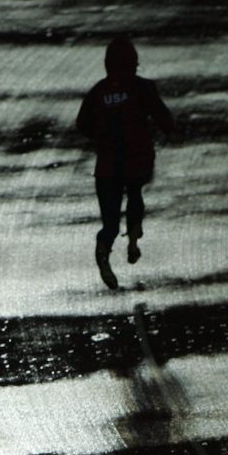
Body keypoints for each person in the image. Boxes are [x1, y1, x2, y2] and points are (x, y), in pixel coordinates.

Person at [76, 36, 175, 289]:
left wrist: (102, 136)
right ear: (133, 63)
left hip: (107, 164)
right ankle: (132, 238)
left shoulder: (98, 91)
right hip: (136, 157)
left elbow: (82, 124)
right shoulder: (142, 87)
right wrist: (170, 131)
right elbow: (162, 117)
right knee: (135, 192)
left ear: (107, 64)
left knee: (109, 221)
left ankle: (104, 250)